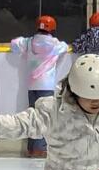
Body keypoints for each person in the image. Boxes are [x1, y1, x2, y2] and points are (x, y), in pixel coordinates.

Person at [10, 15, 69, 157]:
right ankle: (40, 148)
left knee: (33, 116)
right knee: (44, 117)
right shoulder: (54, 44)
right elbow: (65, 47)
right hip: (46, 86)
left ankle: (31, 148)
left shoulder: (29, 42)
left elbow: (14, 44)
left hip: (32, 86)